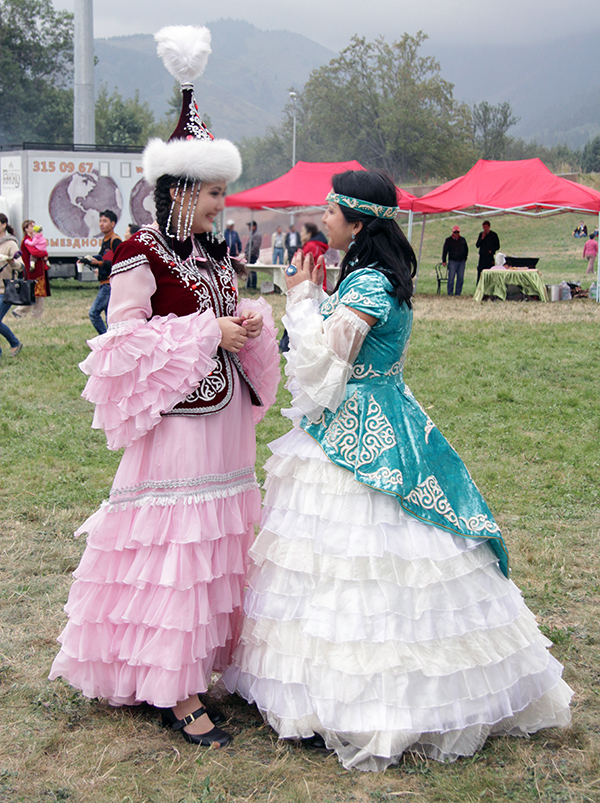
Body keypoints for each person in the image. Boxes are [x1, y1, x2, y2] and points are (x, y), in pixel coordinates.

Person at [224, 169, 572, 771]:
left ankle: (367, 701)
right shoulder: (370, 277)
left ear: (358, 222)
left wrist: (302, 300)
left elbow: (323, 366)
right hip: (377, 417)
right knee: (348, 564)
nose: (322, 217)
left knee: (365, 563)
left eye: (331, 210)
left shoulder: (367, 285)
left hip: (363, 431)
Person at [49, 23, 280, 750]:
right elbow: (122, 343)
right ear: (177, 190)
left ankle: (203, 666)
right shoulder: (136, 251)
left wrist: (245, 321)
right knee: (179, 548)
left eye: (224, 192)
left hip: (222, 425)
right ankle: (175, 690)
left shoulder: (219, 252)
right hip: (177, 429)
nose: (222, 204)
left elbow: (219, 317)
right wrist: (206, 334)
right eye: (213, 193)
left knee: (218, 543)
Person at [87, 210, 122, 335]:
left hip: (109, 284)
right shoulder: (105, 240)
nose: (101, 224)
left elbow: (120, 262)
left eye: (105, 221)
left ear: (113, 224)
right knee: (110, 318)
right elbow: (103, 257)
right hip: (104, 283)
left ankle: (106, 338)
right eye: (100, 221)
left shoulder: (115, 241)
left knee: (93, 313)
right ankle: (112, 340)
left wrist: (100, 264)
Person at [0, 213, 24, 356]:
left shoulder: (11, 244)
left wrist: (12, 262)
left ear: (3, 225)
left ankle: (15, 343)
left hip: (5, 290)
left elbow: (20, 266)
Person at [18, 219, 51, 319]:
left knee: (39, 295)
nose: (33, 228)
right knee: (33, 294)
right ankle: (20, 311)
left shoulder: (34, 239)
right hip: (32, 272)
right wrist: (44, 254)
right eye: (31, 226)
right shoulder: (27, 240)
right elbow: (35, 253)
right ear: (26, 229)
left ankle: (36, 316)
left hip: (39, 270)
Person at [442, 224, 468, 295]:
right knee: (451, 278)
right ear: (452, 232)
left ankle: (458, 293)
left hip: (461, 261)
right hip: (452, 261)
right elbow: (445, 251)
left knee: (460, 278)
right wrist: (444, 260)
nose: (456, 233)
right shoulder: (448, 240)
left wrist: (465, 258)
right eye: (455, 232)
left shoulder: (463, 240)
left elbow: (466, 249)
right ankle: (450, 293)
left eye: (457, 232)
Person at [301, 222, 329, 290]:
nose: (301, 234)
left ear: (309, 233)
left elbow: (301, 265)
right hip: (317, 284)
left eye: (302, 231)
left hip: (312, 285)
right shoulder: (314, 245)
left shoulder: (310, 246)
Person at [245, 221, 261, 290]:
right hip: (250, 255)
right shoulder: (253, 234)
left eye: (250, 226)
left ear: (254, 226)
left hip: (252, 256)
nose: (249, 228)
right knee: (248, 270)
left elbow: (255, 247)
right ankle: (248, 284)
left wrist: (248, 254)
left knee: (252, 270)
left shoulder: (257, 235)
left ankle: (253, 285)